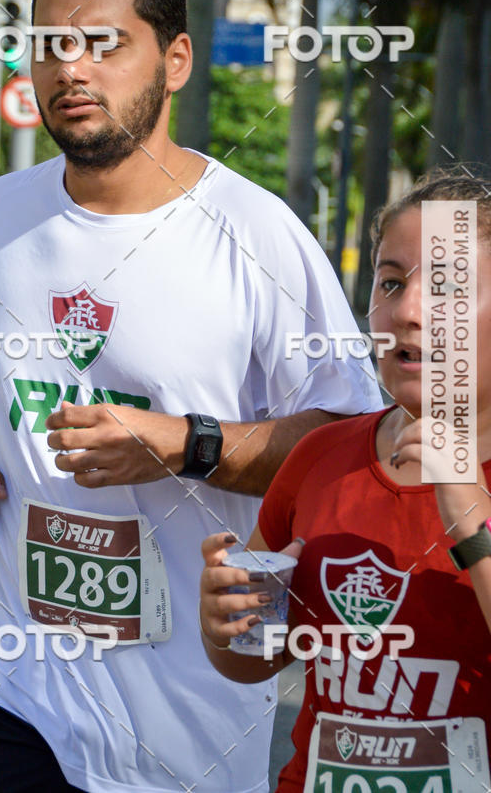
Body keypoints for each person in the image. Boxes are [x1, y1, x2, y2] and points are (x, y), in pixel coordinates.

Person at [0, 0, 381, 793]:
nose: (70, 68)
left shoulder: (257, 235)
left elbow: (345, 439)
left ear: (176, 58)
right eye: (50, 44)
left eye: (104, 43)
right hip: (14, 678)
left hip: (188, 719)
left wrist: (184, 443)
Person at [200, 169, 491, 792]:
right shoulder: (321, 457)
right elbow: (255, 659)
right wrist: (227, 620)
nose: (408, 312)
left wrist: (470, 512)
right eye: (391, 283)